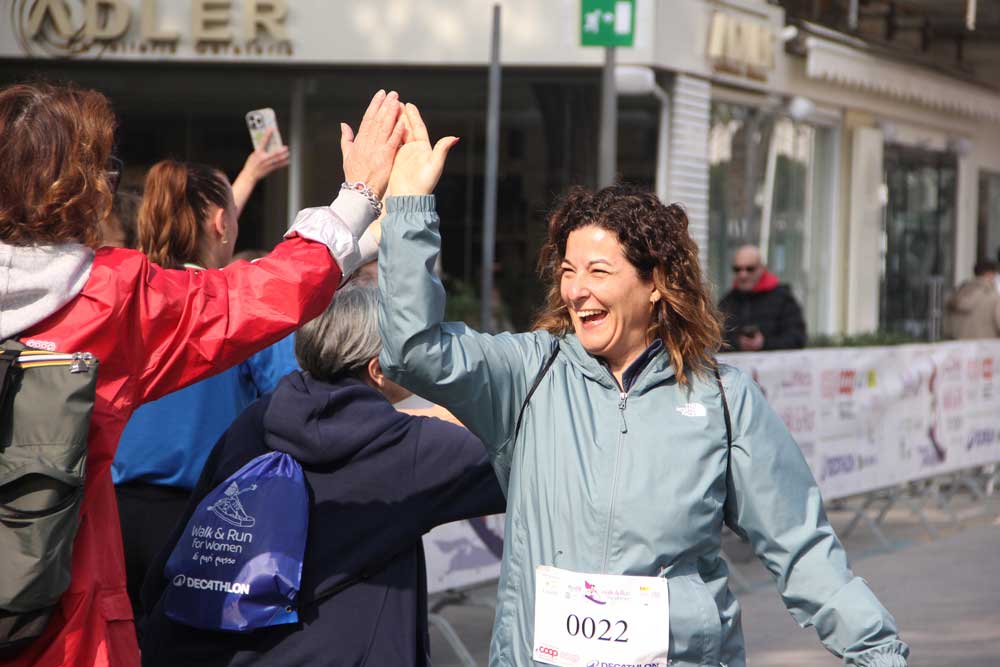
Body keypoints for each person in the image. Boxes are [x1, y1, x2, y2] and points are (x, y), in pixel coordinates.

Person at [376, 103, 909, 667]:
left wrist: (877, 653)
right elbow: (413, 352)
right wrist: (408, 206)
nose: (576, 290)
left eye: (598, 271)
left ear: (655, 283)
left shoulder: (722, 400)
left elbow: (800, 545)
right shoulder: (528, 376)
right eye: (568, 271)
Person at [0, 82, 404, 667]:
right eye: (102, 169)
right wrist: (358, 195)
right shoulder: (106, 300)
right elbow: (255, 297)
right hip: (60, 626)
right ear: (75, 186)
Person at [139, 283, 506, 666]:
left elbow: (181, 544)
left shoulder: (259, 417)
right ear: (378, 370)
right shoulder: (408, 447)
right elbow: (526, 465)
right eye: (412, 346)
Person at [111, 154, 297, 631]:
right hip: (202, 521)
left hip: (109, 516)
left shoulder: (124, 293)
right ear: (220, 223)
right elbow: (292, 397)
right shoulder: (235, 301)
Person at [718, 244, 806, 351]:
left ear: (762, 269)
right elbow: (715, 340)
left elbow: (797, 339)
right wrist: (737, 343)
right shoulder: (727, 302)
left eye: (750, 269)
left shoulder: (783, 299)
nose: (743, 275)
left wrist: (764, 344)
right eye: (737, 269)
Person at [943, 259, 1000, 339]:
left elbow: (947, 328)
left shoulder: (956, 294)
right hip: (986, 345)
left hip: (958, 344)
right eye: (995, 275)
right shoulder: (994, 297)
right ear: (989, 274)